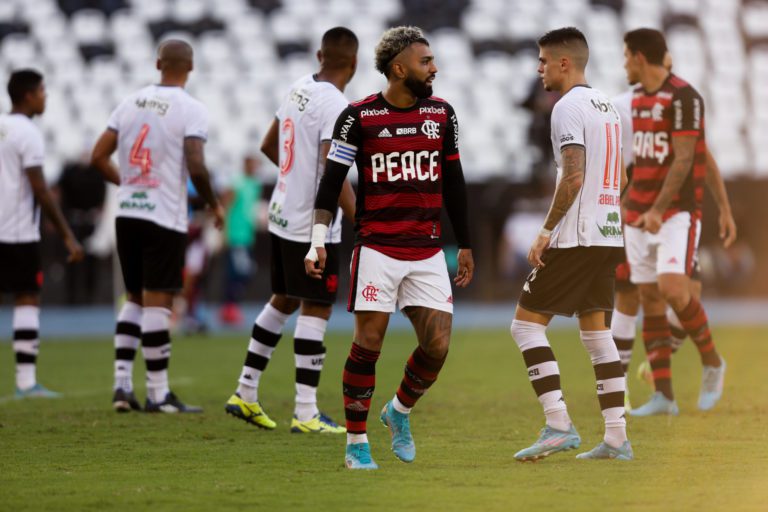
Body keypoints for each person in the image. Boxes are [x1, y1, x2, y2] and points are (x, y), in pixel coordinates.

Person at [304, 26, 474, 470]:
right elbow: (330, 183)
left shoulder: (442, 114)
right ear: (399, 69)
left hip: (426, 249)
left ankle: (398, 412)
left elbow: (454, 183)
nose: (433, 68)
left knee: (437, 346)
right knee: (369, 343)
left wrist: (468, 242)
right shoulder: (357, 117)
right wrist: (318, 240)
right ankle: (356, 444)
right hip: (377, 248)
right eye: (425, 61)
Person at [224, 27, 358, 433]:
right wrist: (363, 222)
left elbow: (268, 144)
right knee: (315, 305)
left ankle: (245, 393)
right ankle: (305, 412)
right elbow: (331, 175)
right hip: (310, 222)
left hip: (282, 213)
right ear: (352, 65)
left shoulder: (298, 87)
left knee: (283, 298)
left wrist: (292, 175)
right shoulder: (338, 106)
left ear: (320, 55)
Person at [509, 27, 632, 462]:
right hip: (608, 232)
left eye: (543, 60)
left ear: (565, 62)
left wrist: (544, 232)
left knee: (524, 326)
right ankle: (617, 439)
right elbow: (617, 175)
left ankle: (558, 424)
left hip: (577, 236)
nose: (538, 68)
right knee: (598, 336)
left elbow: (574, 176)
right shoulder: (609, 107)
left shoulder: (566, 107)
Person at [91, 39, 224, 413]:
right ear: (191, 67)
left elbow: (98, 156)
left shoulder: (129, 102)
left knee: (133, 296)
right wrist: (214, 203)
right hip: (163, 215)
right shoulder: (191, 109)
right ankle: (158, 393)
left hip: (128, 212)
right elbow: (196, 164)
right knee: (159, 300)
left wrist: (130, 185)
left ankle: (121, 387)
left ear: (157, 63)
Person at [610, 53, 737, 409]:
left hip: (675, 215)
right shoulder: (624, 108)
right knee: (631, 296)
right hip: (634, 215)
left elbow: (702, 157)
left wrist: (724, 207)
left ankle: (687, 363)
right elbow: (615, 166)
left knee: (681, 293)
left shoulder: (680, 105)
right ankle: (631, 388)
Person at [0, 69, 84, 398]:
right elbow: (40, 189)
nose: (45, 96)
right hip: (18, 232)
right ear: (28, 95)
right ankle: (25, 382)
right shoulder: (28, 132)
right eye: (42, 91)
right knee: (27, 298)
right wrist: (67, 235)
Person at [219, 155, 263, 327]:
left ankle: (230, 308)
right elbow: (225, 206)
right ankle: (229, 308)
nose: (255, 168)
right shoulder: (236, 183)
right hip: (235, 236)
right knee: (240, 272)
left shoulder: (254, 185)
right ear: (246, 164)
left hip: (247, 236)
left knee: (242, 272)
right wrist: (224, 233)